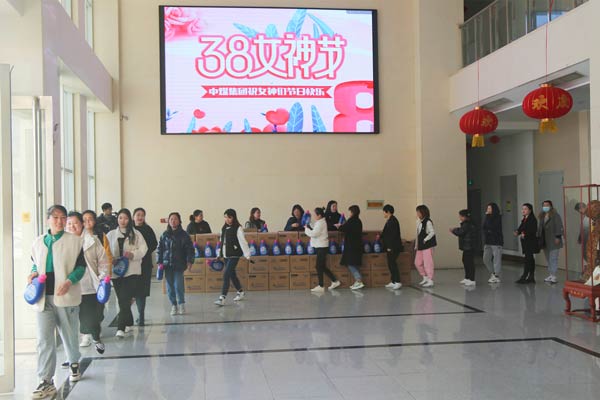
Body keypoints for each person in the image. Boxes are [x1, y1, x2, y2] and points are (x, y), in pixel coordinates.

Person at [29, 205, 86, 399]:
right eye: (55, 217)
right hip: (43, 297)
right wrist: (33, 273)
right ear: (48, 220)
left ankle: (74, 362)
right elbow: (35, 264)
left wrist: (69, 281)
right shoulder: (38, 242)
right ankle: (46, 381)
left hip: (65, 295)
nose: (60, 221)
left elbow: (81, 267)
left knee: (69, 334)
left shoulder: (75, 241)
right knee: (44, 339)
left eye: (63, 218)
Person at [66, 211, 109, 354]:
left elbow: (103, 261)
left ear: (82, 224)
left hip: (89, 285)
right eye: (69, 223)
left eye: (75, 223)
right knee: (75, 316)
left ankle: (95, 337)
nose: (72, 226)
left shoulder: (92, 241)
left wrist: (102, 277)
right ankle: (84, 336)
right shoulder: (63, 242)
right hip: (69, 286)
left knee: (90, 315)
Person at [106, 208, 148, 337]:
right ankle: (129, 321)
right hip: (116, 271)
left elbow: (144, 249)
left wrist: (133, 254)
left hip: (131, 271)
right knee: (122, 299)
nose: (122, 221)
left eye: (125, 218)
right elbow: (105, 251)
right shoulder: (111, 234)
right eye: (120, 218)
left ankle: (120, 328)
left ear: (129, 219)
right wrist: (111, 259)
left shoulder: (136, 234)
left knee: (125, 297)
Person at [157, 212, 194, 314]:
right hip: (167, 264)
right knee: (170, 287)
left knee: (178, 285)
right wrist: (159, 261)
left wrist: (190, 260)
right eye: (171, 219)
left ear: (179, 221)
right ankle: (174, 305)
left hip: (179, 264)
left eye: (175, 219)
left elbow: (190, 249)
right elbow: (159, 249)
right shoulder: (164, 235)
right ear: (168, 221)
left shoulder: (184, 235)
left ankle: (181, 304)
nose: (173, 221)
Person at [214, 209, 251, 306]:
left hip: (235, 255)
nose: (227, 219)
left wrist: (247, 254)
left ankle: (222, 298)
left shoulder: (238, 228)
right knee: (232, 274)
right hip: (226, 255)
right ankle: (240, 292)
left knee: (226, 274)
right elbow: (222, 242)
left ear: (233, 217)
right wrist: (219, 254)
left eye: (229, 217)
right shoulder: (223, 228)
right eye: (225, 217)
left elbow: (243, 241)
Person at [133, 208, 158, 325]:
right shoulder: (129, 229)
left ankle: (141, 315)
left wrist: (144, 252)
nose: (140, 217)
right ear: (133, 216)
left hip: (145, 264)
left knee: (141, 292)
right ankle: (126, 317)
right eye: (138, 215)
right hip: (131, 264)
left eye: (142, 215)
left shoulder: (148, 229)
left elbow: (154, 244)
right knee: (130, 291)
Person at [306, 207, 340, 292]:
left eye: (315, 214)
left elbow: (314, 233)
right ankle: (334, 281)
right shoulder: (320, 222)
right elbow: (315, 228)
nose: (314, 216)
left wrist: (306, 229)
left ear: (319, 215)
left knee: (318, 266)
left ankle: (321, 286)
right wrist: (309, 224)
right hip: (320, 247)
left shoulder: (321, 223)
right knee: (322, 266)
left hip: (322, 247)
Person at [337, 205, 364, 290]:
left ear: (352, 212)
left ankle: (359, 280)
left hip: (351, 246)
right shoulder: (359, 221)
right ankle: (358, 281)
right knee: (354, 263)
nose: (349, 213)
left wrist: (339, 226)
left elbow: (343, 228)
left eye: (350, 212)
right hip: (357, 245)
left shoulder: (351, 220)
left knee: (350, 263)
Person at [537, 200, 564, 284]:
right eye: (544, 205)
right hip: (545, 241)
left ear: (551, 206)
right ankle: (551, 274)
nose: (545, 207)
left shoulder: (555, 215)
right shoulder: (542, 216)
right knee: (548, 258)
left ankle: (554, 276)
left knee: (553, 258)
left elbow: (559, 226)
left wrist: (558, 237)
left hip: (554, 240)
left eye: (547, 205)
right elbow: (540, 228)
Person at [450, 209, 477, 287]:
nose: (459, 217)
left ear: (464, 216)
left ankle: (472, 279)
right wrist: (456, 229)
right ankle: (467, 278)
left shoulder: (467, 224)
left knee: (469, 262)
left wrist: (453, 230)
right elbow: (462, 230)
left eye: (460, 216)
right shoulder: (467, 223)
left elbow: (461, 232)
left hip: (469, 246)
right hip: (467, 246)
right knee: (465, 261)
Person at [514, 203, 539, 284]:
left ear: (530, 210)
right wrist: (517, 232)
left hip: (530, 242)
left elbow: (533, 230)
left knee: (528, 259)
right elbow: (521, 228)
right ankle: (531, 277)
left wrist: (524, 234)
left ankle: (524, 277)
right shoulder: (525, 218)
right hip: (526, 242)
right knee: (530, 259)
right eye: (522, 209)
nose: (523, 210)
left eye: (525, 209)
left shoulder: (532, 219)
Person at [381, 204, 404, 290]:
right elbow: (385, 233)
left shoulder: (393, 221)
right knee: (390, 263)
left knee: (392, 263)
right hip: (389, 246)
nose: (383, 213)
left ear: (388, 212)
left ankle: (398, 282)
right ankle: (393, 281)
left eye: (384, 212)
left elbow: (393, 235)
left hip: (393, 247)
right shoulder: (389, 220)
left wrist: (390, 246)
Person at [415, 205, 437, 288]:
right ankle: (425, 277)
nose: (417, 214)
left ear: (423, 212)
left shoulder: (428, 222)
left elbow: (432, 232)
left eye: (418, 212)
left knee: (428, 263)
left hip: (427, 246)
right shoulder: (418, 221)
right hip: (420, 246)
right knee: (417, 263)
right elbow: (418, 234)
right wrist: (416, 245)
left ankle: (430, 280)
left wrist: (425, 239)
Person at [482, 203, 503, 283]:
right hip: (488, 241)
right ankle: (493, 273)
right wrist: (487, 217)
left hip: (496, 241)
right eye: (487, 208)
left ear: (493, 209)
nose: (487, 210)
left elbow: (492, 226)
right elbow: (483, 227)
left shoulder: (498, 217)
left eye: (489, 208)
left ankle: (496, 275)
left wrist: (488, 229)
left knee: (496, 259)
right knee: (486, 259)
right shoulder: (487, 217)